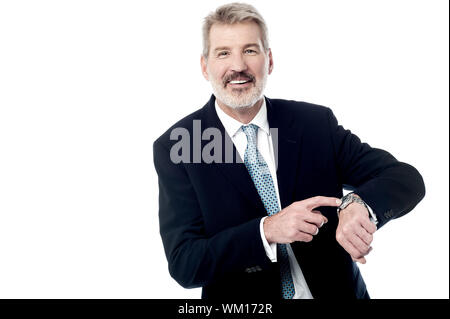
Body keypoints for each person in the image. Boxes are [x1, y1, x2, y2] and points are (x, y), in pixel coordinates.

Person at [153, 2, 425, 299]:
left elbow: (404, 178)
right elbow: (185, 264)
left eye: (250, 50)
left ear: (269, 61)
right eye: (223, 53)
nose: (238, 66)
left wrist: (358, 203)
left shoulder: (313, 124)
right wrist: (266, 231)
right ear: (205, 66)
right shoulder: (180, 144)